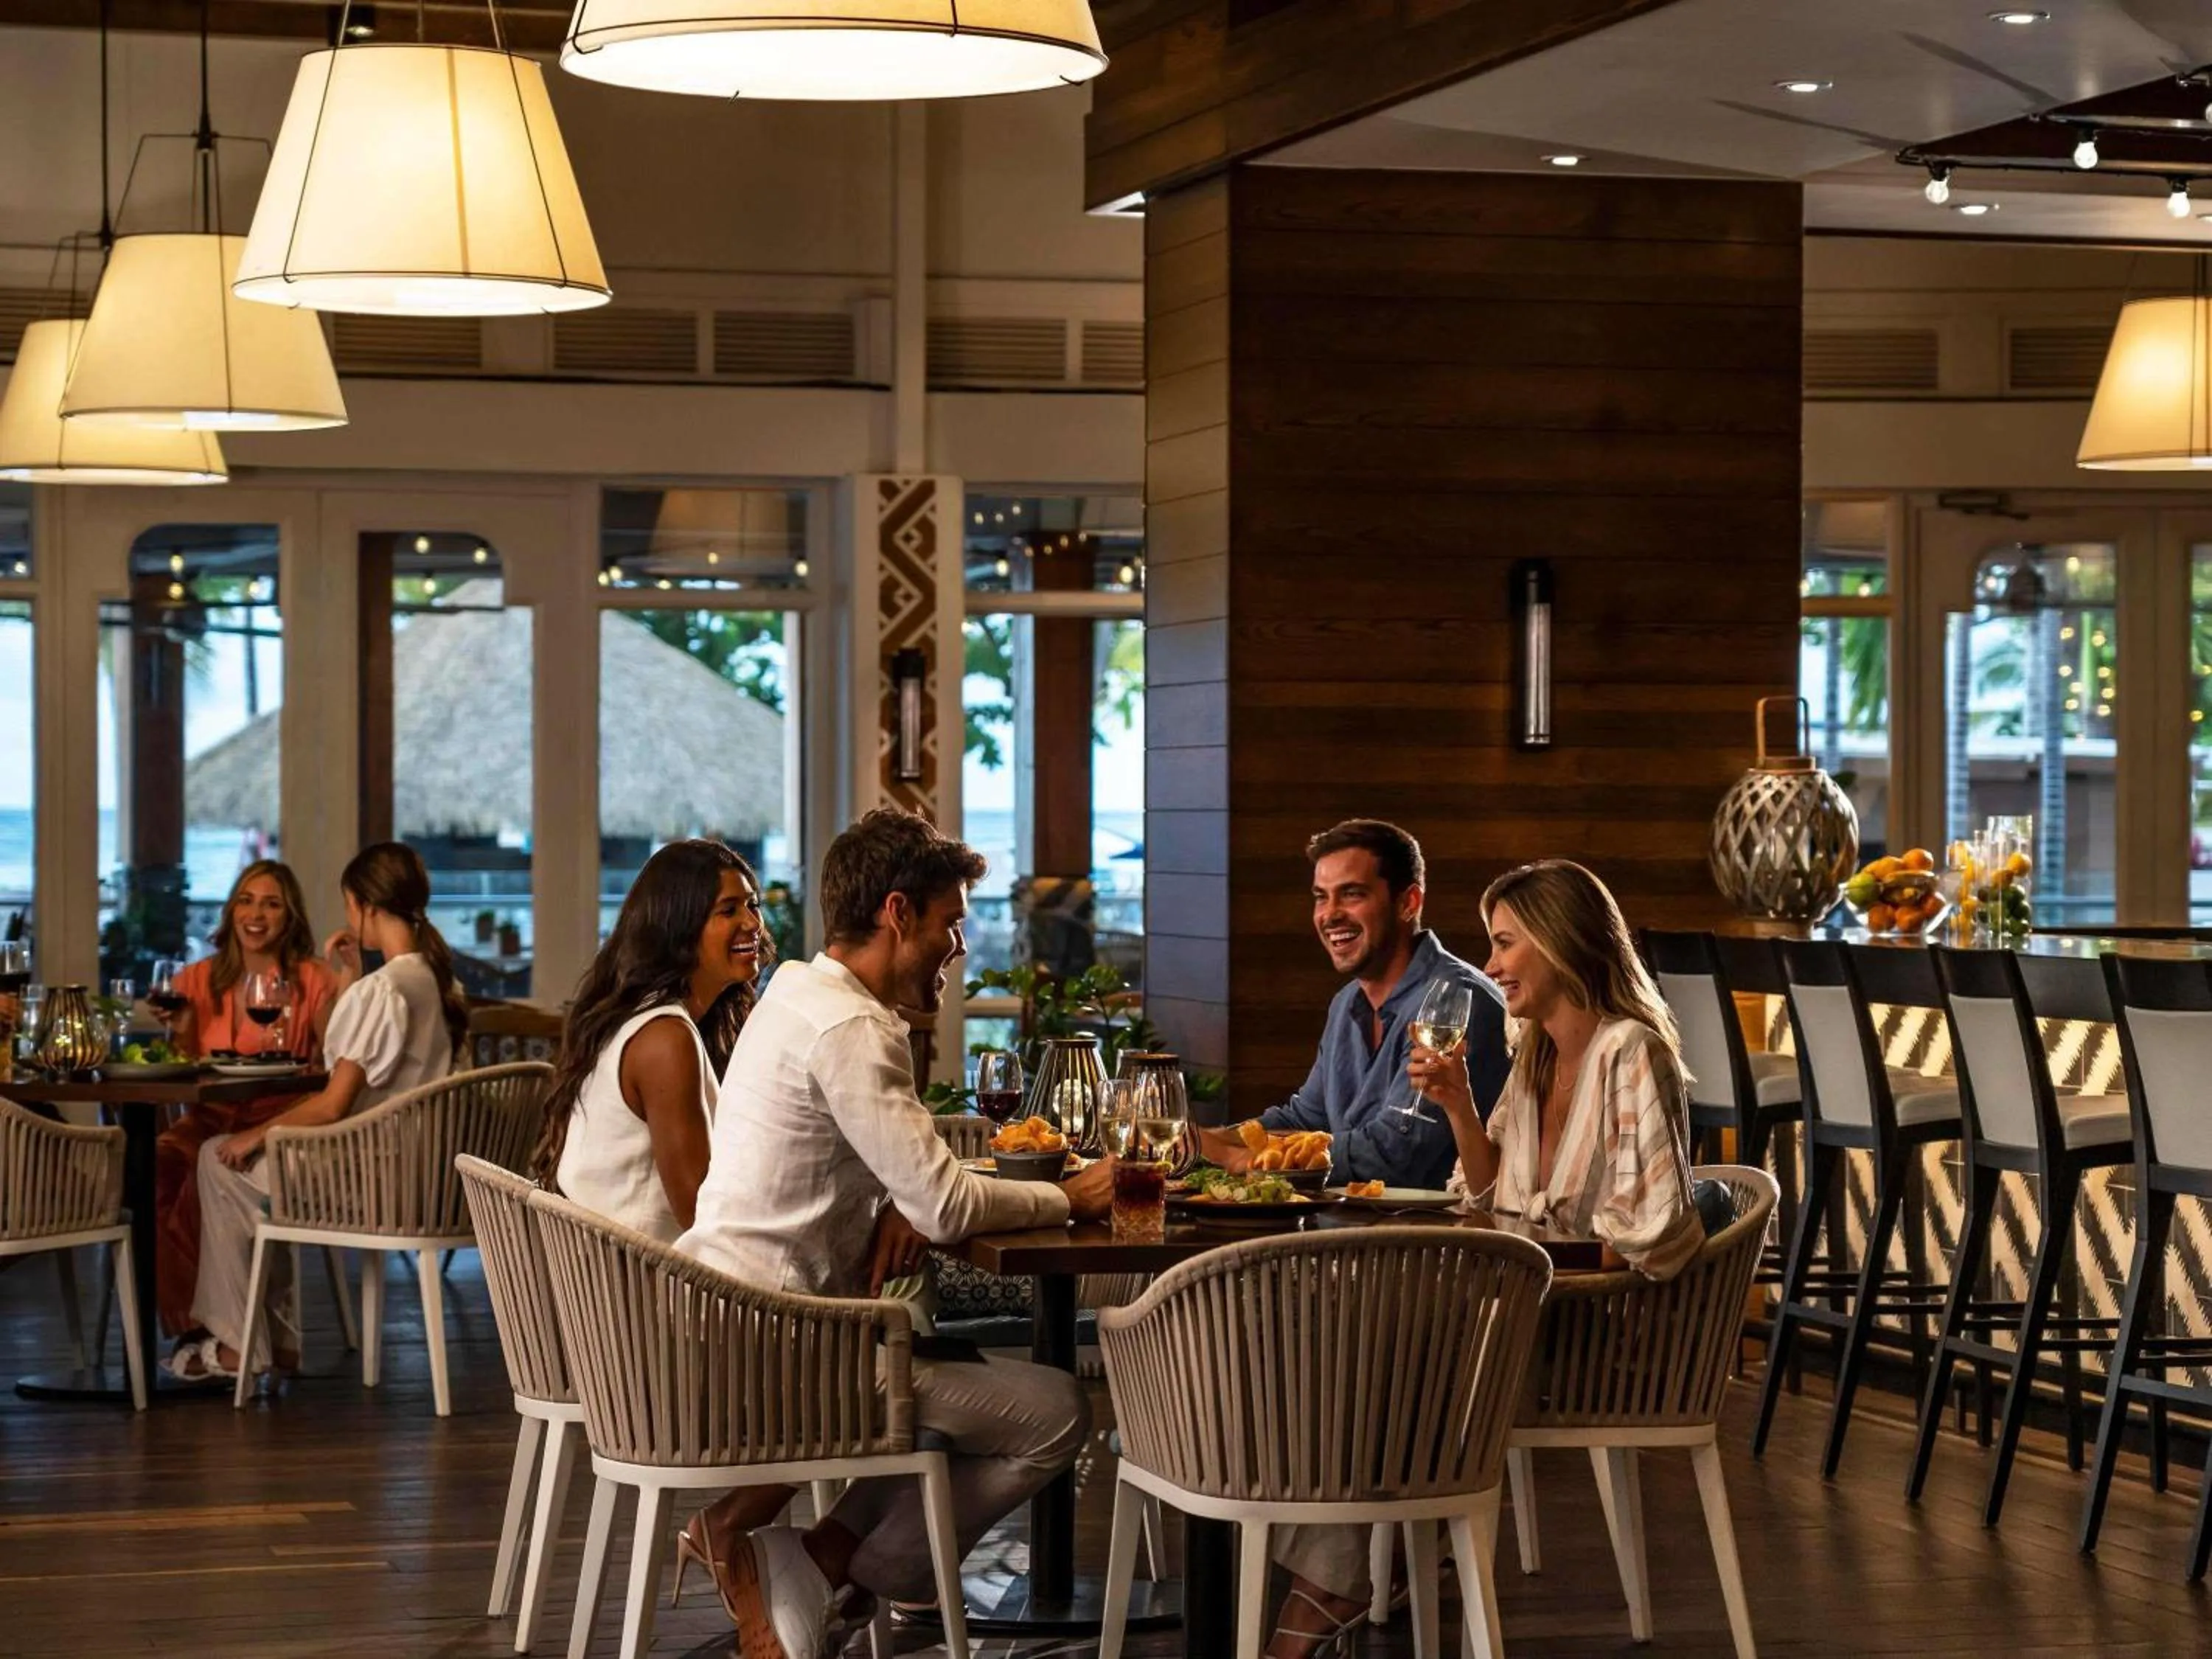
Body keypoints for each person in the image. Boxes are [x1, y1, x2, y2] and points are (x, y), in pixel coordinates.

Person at [676, 807, 1115, 1659]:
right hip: (786, 1353)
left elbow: (912, 1187)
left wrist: (894, 1201)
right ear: (897, 912)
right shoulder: (856, 1030)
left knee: (944, 1387)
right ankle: (843, 1565)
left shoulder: (794, 994)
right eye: (951, 925)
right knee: (1055, 1412)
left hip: (727, 1322)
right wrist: (1072, 1200)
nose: (958, 951)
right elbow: (949, 1207)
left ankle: (813, 1560)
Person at [1262, 858, 1705, 1657]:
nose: (1491, 966)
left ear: (1562, 945)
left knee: (1366, 1340)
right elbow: (1490, 1191)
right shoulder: (1532, 1050)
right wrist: (1462, 1106)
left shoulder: (1632, 1053)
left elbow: (1655, 1230)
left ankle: (1344, 1577)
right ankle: (1364, 1560)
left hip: (1599, 1334)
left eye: (1505, 944)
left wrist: (1527, 1255)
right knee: (1324, 1329)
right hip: (1517, 1312)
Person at [167, 844, 470, 1381]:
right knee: (245, 1165)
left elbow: (333, 1104)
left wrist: (254, 1135)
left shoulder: (385, 989)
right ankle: (278, 1342)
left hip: (371, 1180)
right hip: (429, 1178)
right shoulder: (444, 984)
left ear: (364, 907)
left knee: (219, 1159)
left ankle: (242, 1347)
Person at [1198, 818, 1509, 1189]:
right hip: (1350, 1235)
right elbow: (1306, 1119)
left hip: (1434, 1238)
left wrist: (1240, 1159)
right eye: (1320, 897)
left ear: (1408, 903)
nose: (1329, 914)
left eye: (1352, 894)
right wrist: (1204, 1141)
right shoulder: (1346, 1004)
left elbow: (1393, 1158)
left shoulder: (1457, 1002)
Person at [533, 839, 768, 1242]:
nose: (752, 923)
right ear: (681, 926)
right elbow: (701, 1215)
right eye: (728, 910)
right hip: (640, 1293)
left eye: (753, 905)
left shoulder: (646, 1017)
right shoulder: (665, 1039)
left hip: (604, 1280)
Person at [153, 860, 341, 1344]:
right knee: (154, 1171)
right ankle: (188, 1322)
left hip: (278, 1115)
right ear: (231, 909)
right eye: (247, 900)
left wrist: (344, 990)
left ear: (290, 916)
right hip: (209, 1113)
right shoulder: (195, 979)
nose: (257, 914)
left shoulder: (314, 979)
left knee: (204, 1167)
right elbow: (178, 1062)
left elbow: (337, 1056)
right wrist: (174, 1027)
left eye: (272, 903)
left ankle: (215, 1331)